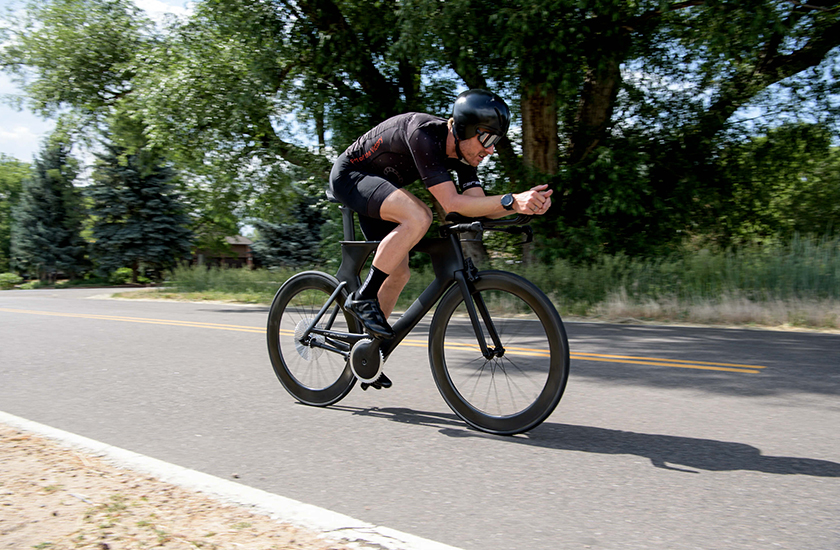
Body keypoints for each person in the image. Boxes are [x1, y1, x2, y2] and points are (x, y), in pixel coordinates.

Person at [329, 89, 552, 386]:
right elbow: (453, 204)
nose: (490, 150)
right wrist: (512, 200)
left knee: (399, 272)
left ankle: (368, 352)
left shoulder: (462, 156)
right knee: (420, 216)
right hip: (351, 177)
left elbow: (478, 206)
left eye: (496, 142)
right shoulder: (425, 135)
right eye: (486, 139)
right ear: (464, 129)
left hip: (380, 187)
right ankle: (364, 296)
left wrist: (526, 207)